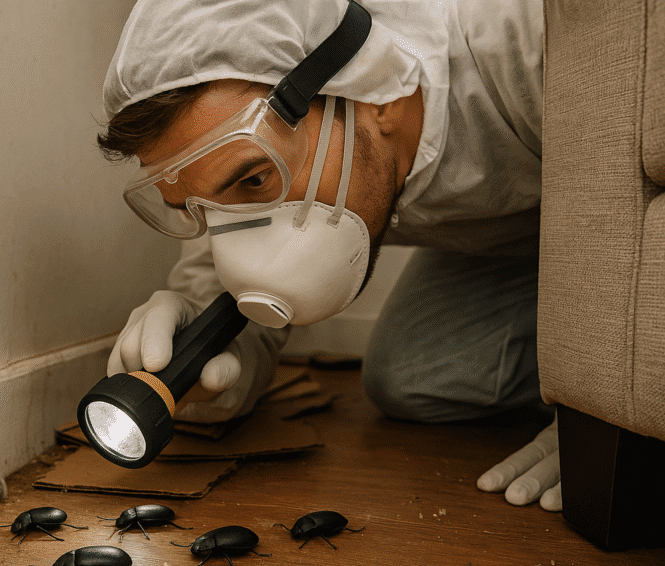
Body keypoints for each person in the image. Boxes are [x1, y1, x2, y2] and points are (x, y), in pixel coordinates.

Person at [95, 0, 563, 511]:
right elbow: (244, 329)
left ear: (376, 94)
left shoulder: (526, 46)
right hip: (519, 247)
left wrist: (602, 411)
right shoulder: (268, 164)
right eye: (199, 209)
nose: (234, 239)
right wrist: (194, 360)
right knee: (408, 378)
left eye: (253, 180)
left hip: (614, 228)